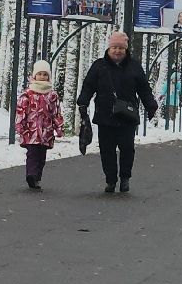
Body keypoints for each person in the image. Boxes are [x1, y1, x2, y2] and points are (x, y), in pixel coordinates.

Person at [77, 31, 159, 195]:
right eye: (114, 47)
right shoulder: (99, 66)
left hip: (127, 116)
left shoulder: (134, 66)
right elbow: (88, 86)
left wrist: (151, 105)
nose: (117, 51)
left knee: (127, 148)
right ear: (109, 48)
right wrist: (83, 103)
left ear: (126, 49)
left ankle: (125, 178)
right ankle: (110, 180)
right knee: (107, 150)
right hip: (105, 115)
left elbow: (144, 89)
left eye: (121, 48)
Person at [14, 59, 66, 190]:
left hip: (46, 132)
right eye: (39, 74)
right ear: (34, 75)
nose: (42, 77)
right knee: (32, 153)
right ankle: (30, 174)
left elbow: (56, 112)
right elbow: (21, 110)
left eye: (45, 74)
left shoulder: (52, 95)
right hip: (30, 131)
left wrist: (58, 127)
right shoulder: (28, 94)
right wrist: (20, 125)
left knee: (41, 156)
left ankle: (37, 177)